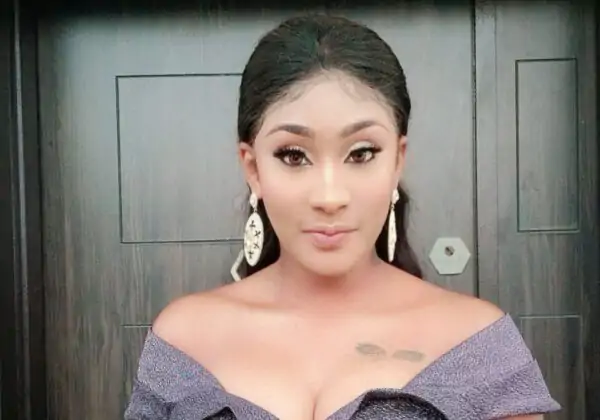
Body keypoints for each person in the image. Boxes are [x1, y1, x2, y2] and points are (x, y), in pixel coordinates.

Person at [124, 14, 561, 420]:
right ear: (252, 167)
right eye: (293, 155)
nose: (330, 197)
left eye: (362, 153)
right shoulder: (184, 340)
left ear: (398, 160)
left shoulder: (477, 343)